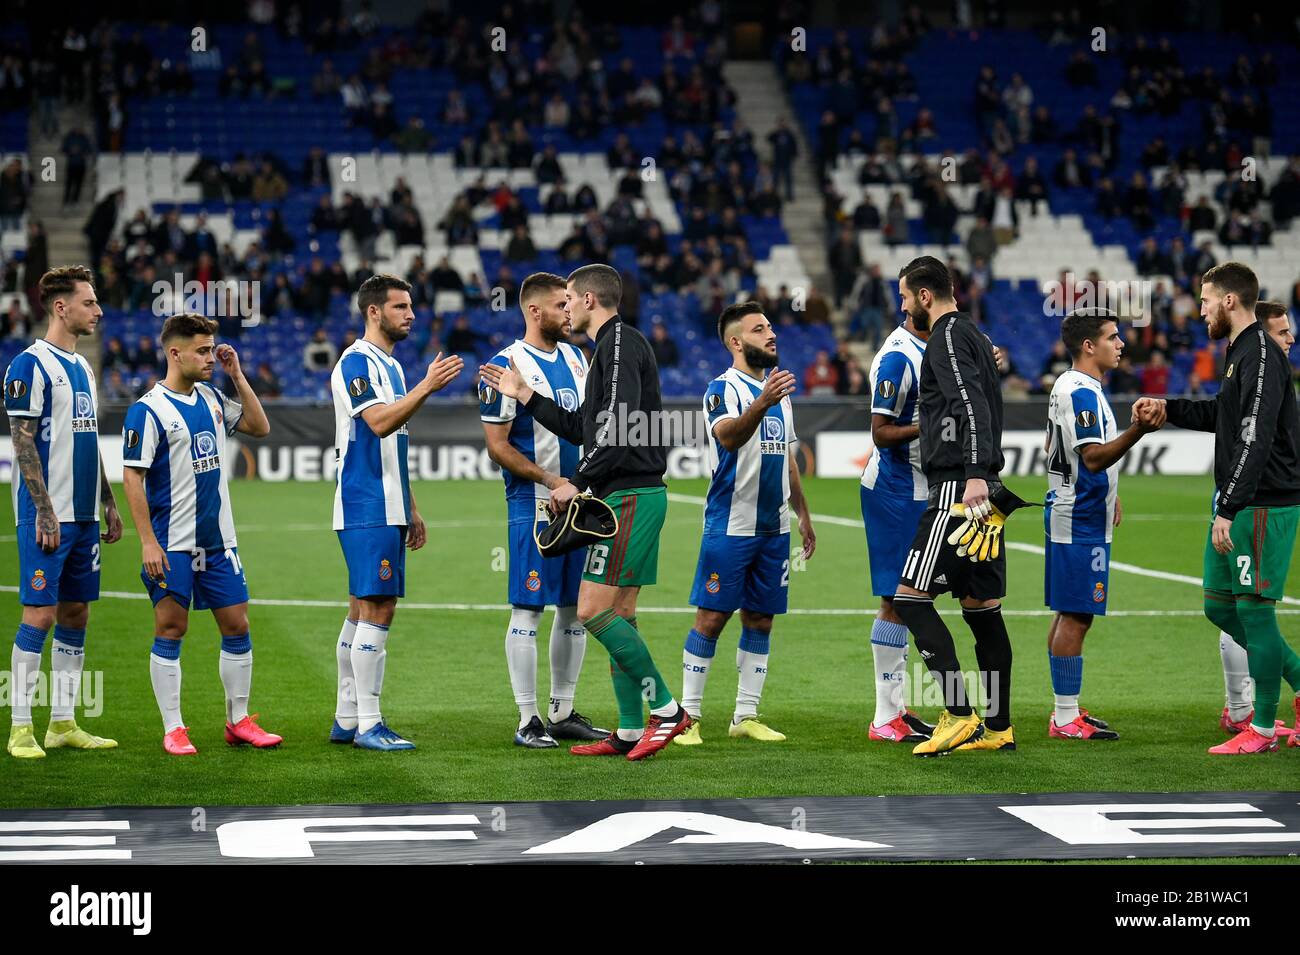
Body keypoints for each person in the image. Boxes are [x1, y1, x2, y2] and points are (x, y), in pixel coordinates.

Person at [479, 264, 692, 761]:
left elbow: (616, 428)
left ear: (589, 300)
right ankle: (627, 728)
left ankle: (666, 710)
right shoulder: (610, 349)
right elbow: (584, 428)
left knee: (593, 611)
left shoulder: (615, 345)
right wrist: (526, 396)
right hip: (628, 495)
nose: (567, 306)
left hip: (628, 496)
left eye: (570, 298)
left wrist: (578, 480)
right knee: (619, 614)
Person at [1138, 265, 1300, 754]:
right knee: (1219, 605)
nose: (1200, 308)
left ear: (1230, 301)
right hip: (1241, 501)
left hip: (1261, 503)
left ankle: (1264, 729)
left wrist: (1229, 507)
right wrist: (1169, 409)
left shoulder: (1263, 356)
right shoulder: (1241, 353)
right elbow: (1223, 416)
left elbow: (1254, 437)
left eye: (1206, 300)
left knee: (1254, 612)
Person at [120, 313, 278, 755]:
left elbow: (260, 427)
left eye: (212, 349)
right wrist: (148, 542)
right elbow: (132, 477)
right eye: (203, 351)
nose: (211, 357)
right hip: (172, 543)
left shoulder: (210, 396)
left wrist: (237, 375)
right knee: (171, 628)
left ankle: (238, 721)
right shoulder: (148, 410)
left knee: (237, 623)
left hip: (218, 541)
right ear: (175, 353)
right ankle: (174, 727)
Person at [329, 275, 464, 751]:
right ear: (373, 312)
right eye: (401, 306)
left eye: (411, 306)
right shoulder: (356, 362)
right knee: (379, 608)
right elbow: (380, 423)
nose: (411, 314)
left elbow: (395, 445)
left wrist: (411, 505)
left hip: (386, 502)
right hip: (365, 502)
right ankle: (370, 723)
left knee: (360, 607)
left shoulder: (391, 366)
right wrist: (428, 385)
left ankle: (347, 719)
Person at [674, 302, 815, 745]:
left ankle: (745, 715)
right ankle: (688, 719)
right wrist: (763, 400)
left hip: (774, 529)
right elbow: (730, 436)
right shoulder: (721, 389)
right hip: (730, 525)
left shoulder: (780, 393)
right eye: (759, 329)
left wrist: (804, 513)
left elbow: (789, 458)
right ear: (736, 342)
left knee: (761, 619)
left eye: (771, 327)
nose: (771, 335)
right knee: (712, 618)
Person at [891, 256, 1016, 755]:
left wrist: (973, 475)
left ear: (925, 296)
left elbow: (969, 405)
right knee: (981, 610)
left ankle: (959, 712)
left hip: (959, 491)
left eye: (905, 297)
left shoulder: (944, 336)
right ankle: (999, 727)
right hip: (985, 489)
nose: (902, 306)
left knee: (909, 598)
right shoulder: (975, 337)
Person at [479, 272, 608, 748]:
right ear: (534, 312)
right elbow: (497, 446)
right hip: (534, 505)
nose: (569, 312)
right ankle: (527, 718)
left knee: (575, 610)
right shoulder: (504, 364)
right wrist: (552, 480)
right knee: (528, 608)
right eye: (560, 305)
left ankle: (563, 710)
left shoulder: (579, 358)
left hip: (581, 504)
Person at [4, 267, 123, 759]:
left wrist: (108, 500)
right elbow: (22, 440)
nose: (98, 311)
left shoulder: (83, 368)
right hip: (46, 516)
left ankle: (63, 723)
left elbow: (87, 439)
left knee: (76, 612)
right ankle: (19, 730)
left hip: (84, 517)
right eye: (89, 303)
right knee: (41, 613)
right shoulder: (28, 366)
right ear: (61, 307)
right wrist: (44, 512)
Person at [1043, 309, 1167, 741]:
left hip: (1078, 507)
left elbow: (1062, 449)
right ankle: (1064, 717)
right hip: (1080, 516)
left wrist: (1112, 493)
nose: (1121, 345)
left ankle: (1067, 708)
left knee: (1070, 611)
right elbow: (1093, 457)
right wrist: (1139, 429)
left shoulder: (1070, 385)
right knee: (1078, 614)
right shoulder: (1082, 392)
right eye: (1113, 338)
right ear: (1089, 346)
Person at [860, 311, 937, 744]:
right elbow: (881, 432)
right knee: (898, 598)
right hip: (894, 491)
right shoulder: (897, 357)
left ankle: (896, 710)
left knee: (911, 598)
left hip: (924, 489)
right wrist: (926, 426)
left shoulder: (936, 349)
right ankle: (884, 717)